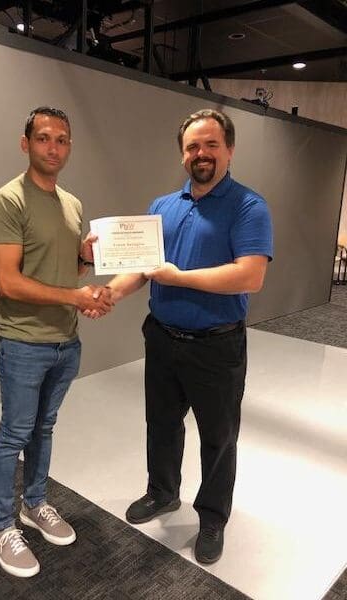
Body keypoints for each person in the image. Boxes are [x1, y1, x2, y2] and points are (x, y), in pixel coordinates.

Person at [93, 108, 273, 564]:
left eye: (212, 144)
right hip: (163, 339)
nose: (202, 153)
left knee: (218, 436)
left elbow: (249, 276)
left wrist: (179, 277)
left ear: (229, 150)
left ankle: (212, 515)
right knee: (162, 425)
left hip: (217, 346)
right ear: (182, 154)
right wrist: (107, 294)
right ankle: (163, 492)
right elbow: (143, 271)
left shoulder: (249, 207)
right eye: (193, 146)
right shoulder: (161, 207)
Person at [0, 106, 112, 577]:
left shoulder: (72, 204)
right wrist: (77, 296)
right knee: (13, 435)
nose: (52, 147)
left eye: (61, 140)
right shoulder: (7, 202)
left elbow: (66, 273)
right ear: (25, 144)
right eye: (43, 138)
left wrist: (82, 261)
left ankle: (34, 503)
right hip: (23, 342)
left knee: (44, 429)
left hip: (65, 342)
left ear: (69, 147)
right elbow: (9, 284)